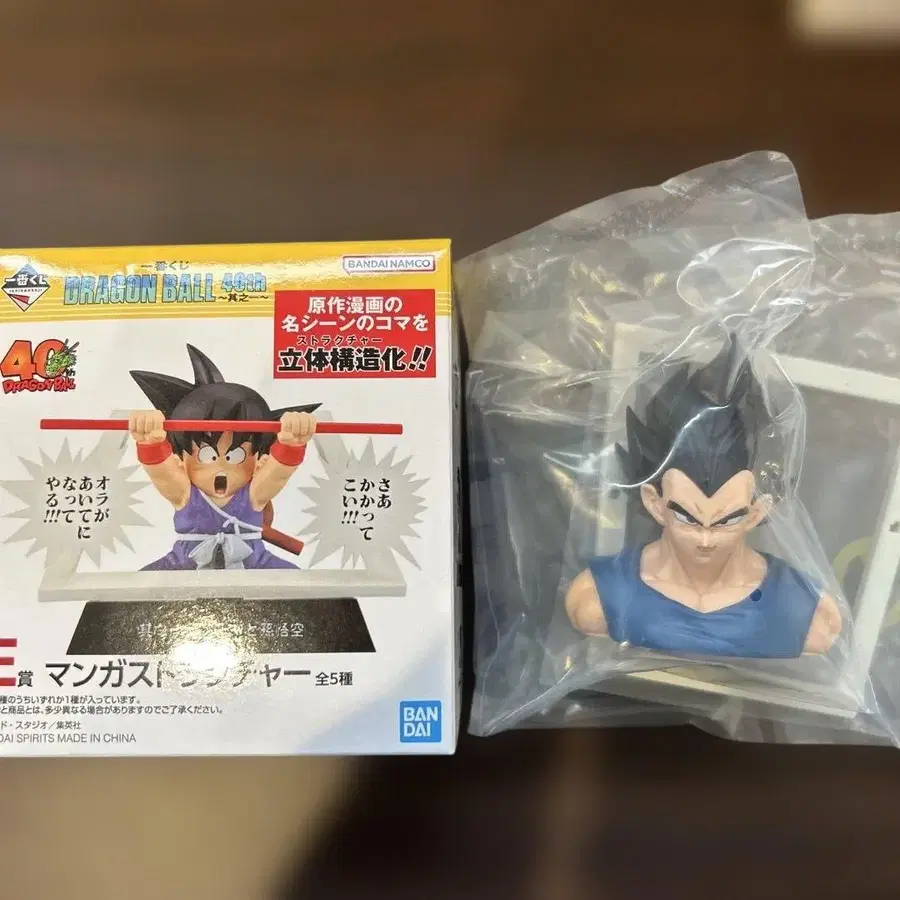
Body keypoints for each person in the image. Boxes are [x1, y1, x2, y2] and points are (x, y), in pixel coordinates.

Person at [564, 339, 842, 658]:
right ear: (655, 504)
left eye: (726, 521)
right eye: (688, 518)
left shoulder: (805, 613)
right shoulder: (599, 598)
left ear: (756, 513)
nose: (705, 539)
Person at [128, 344, 318, 571]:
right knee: (140, 585)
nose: (221, 467)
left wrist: (292, 443)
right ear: (181, 461)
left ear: (258, 462)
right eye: (207, 455)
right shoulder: (186, 494)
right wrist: (149, 441)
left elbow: (278, 474)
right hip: (185, 564)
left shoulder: (253, 495)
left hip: (254, 564)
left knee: (299, 585)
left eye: (235, 455)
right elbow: (161, 473)